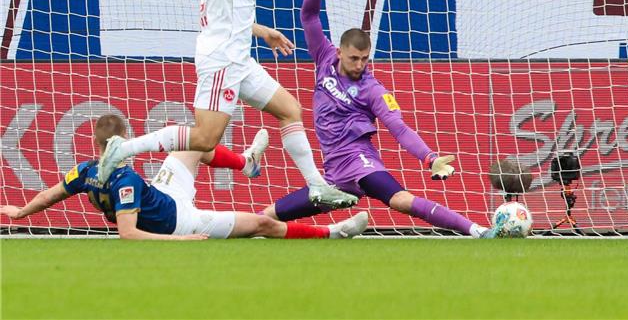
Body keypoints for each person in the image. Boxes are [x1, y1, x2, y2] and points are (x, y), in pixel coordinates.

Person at [96, 0, 356, 209]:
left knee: (289, 109)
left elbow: (228, 15)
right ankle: (123, 149)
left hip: (239, 59)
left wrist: (262, 32)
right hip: (222, 61)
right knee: (206, 139)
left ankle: (316, 186)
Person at [259, 0, 500, 238]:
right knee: (266, 219)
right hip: (333, 177)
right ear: (339, 52)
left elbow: (399, 128)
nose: (360, 64)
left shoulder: (373, 90)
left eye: (364, 58)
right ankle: (332, 233)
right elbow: (308, 16)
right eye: (354, 58)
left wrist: (430, 157)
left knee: (401, 200)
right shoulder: (324, 57)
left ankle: (478, 230)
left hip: (359, 162)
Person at [1, 114, 368, 240]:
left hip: (162, 190)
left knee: (193, 142)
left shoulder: (84, 171)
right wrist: (185, 240)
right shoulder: (124, 182)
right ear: (125, 140)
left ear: (95, 143)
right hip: (178, 221)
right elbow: (128, 234)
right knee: (261, 224)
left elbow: (50, 195)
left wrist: (21, 212)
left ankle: (246, 163)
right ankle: (333, 232)